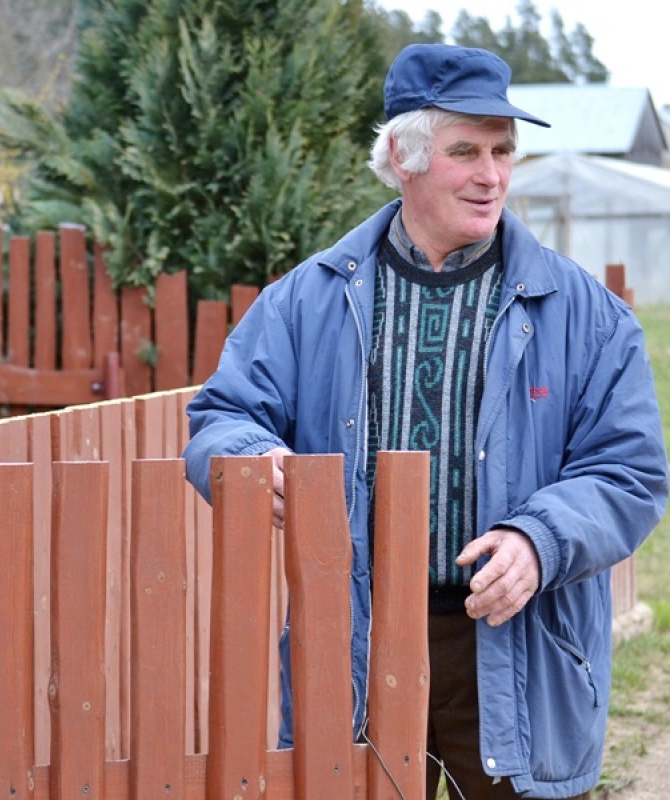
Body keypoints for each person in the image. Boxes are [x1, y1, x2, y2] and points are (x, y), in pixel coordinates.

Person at [182, 42, 668, 799]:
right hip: (357, 641)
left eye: (503, 151)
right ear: (402, 160)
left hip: (516, 646)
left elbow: (628, 473)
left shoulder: (589, 317)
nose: (492, 174)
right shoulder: (307, 301)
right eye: (465, 151)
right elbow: (223, 412)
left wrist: (538, 542)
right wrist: (251, 455)